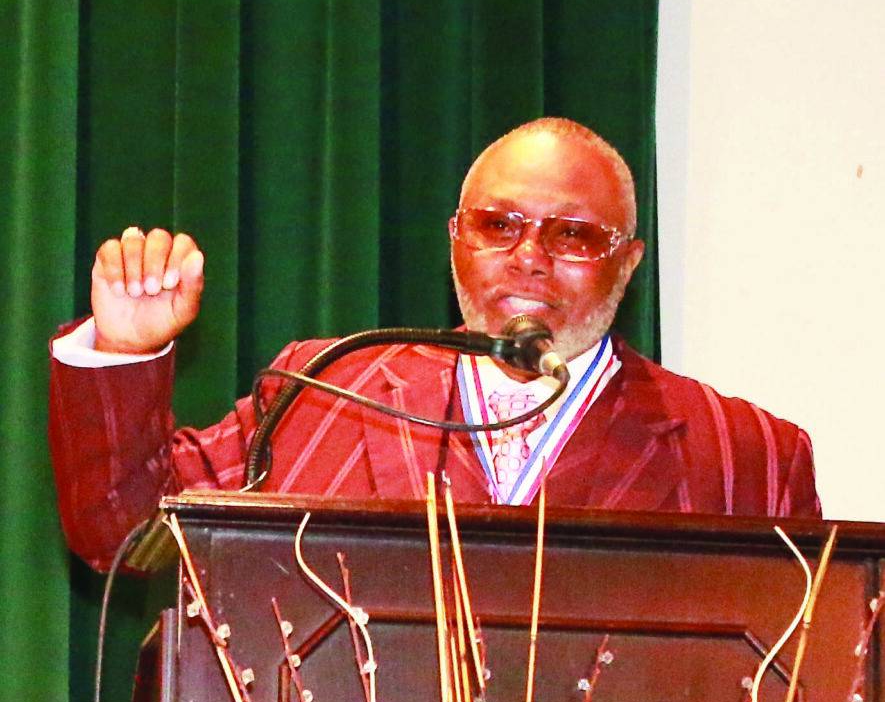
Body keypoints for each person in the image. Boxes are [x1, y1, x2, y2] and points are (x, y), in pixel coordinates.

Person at [49, 117, 821, 571]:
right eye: (497, 224)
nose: (528, 257)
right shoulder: (327, 388)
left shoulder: (744, 456)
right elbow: (126, 538)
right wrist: (122, 352)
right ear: (455, 239)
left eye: (573, 235)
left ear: (627, 261)